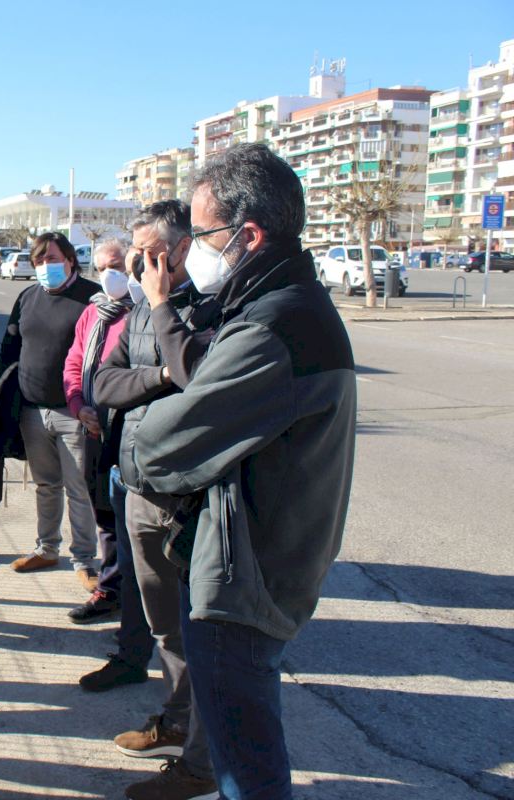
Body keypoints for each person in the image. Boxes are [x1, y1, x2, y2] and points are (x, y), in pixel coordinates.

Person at [132, 142, 356, 800]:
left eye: (202, 236)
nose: (192, 251)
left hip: (245, 579)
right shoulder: (281, 304)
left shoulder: (274, 325)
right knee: (241, 743)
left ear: (248, 235)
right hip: (261, 563)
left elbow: (161, 446)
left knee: (248, 766)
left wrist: (151, 420)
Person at [91, 200, 221, 800]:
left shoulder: (213, 305)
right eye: (136, 252)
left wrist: (170, 352)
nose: (138, 264)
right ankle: (176, 718)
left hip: (186, 494)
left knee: (201, 631)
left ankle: (201, 756)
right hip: (136, 484)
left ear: (182, 249)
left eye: (148, 253)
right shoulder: (143, 307)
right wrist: (161, 376)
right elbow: (105, 382)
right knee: (164, 624)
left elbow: (198, 377)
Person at [0, 232, 101, 589]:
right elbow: (10, 347)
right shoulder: (28, 296)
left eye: (52, 258)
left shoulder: (91, 297)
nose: (45, 265)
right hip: (32, 411)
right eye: (39, 260)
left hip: (75, 412)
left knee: (79, 489)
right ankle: (47, 548)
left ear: (70, 260)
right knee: (46, 485)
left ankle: (84, 559)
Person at [61, 240, 136, 624]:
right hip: (94, 428)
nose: (110, 274)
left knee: (134, 519)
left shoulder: (144, 311)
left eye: (117, 265)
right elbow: (75, 362)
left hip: (130, 430)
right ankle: (111, 589)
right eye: (103, 267)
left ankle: (136, 595)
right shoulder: (93, 312)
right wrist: (79, 405)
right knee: (104, 513)